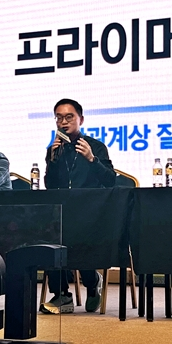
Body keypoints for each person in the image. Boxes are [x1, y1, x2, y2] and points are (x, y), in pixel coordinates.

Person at [40, 98, 116, 314]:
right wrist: (52, 161)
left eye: (69, 117)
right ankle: (62, 295)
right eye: (59, 118)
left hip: (91, 213)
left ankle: (92, 284)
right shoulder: (54, 149)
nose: (63, 122)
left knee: (80, 234)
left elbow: (110, 180)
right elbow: (50, 186)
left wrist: (92, 159)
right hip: (64, 212)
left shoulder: (96, 147)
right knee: (51, 236)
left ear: (80, 119)